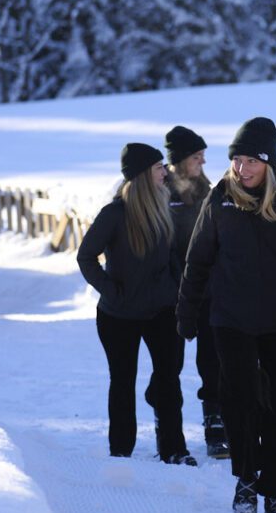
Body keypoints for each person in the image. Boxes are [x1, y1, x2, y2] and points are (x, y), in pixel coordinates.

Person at [178, 117, 276, 513]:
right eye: (237, 160)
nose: (242, 169)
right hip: (232, 321)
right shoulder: (220, 197)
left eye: (251, 161)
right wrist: (187, 311)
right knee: (239, 403)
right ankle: (246, 479)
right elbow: (199, 258)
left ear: (269, 163)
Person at [77, 143, 195, 467]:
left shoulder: (165, 206)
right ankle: (121, 451)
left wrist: (176, 287)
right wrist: (111, 290)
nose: (166, 172)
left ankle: (174, 449)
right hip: (119, 315)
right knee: (123, 380)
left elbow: (175, 256)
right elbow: (86, 257)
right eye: (159, 167)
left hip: (161, 311)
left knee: (169, 379)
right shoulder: (114, 214)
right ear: (144, 174)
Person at [162, 125, 229, 459]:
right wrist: (177, 279)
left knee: (212, 361)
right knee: (169, 364)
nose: (202, 162)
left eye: (203, 156)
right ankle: (168, 432)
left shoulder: (209, 191)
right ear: (178, 160)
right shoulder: (160, 192)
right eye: (196, 157)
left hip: (209, 291)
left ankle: (215, 422)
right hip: (172, 293)